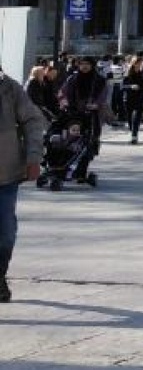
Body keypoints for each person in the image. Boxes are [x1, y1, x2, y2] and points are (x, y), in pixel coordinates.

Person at [0, 67, 47, 303]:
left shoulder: (9, 88)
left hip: (5, 174)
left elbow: (33, 120)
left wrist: (33, 157)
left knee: (5, 233)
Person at [57, 55, 108, 179]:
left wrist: (95, 105)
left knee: (89, 141)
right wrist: (64, 102)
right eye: (82, 64)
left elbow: (103, 96)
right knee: (70, 140)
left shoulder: (99, 80)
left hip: (91, 115)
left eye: (87, 64)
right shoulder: (72, 79)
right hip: (72, 114)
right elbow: (62, 93)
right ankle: (65, 166)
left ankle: (81, 170)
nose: (84, 66)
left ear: (92, 66)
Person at [121, 54, 143, 144]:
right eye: (136, 63)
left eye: (140, 63)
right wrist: (131, 86)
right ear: (132, 63)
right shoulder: (127, 73)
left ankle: (134, 135)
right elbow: (122, 87)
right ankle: (132, 131)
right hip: (129, 98)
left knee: (136, 117)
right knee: (130, 118)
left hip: (140, 98)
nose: (139, 65)